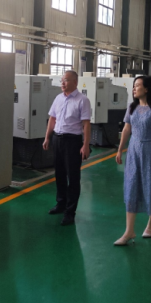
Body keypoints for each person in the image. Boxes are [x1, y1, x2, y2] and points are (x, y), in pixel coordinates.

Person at [114, 76, 151, 246]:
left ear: (147, 89)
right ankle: (129, 231)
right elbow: (127, 129)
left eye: (138, 85)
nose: (134, 89)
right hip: (133, 151)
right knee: (131, 186)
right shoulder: (132, 107)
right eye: (134, 86)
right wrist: (120, 149)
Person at [42, 70, 91, 226]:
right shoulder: (58, 98)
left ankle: (70, 212)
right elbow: (52, 119)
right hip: (57, 139)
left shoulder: (82, 100)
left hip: (72, 142)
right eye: (62, 80)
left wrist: (85, 145)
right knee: (60, 174)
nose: (63, 83)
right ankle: (61, 203)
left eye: (66, 80)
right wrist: (47, 137)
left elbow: (86, 124)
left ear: (75, 82)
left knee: (73, 177)